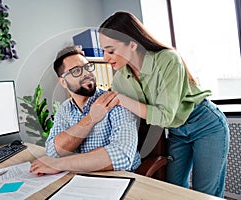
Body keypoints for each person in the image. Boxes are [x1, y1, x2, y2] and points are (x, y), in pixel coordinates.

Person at [98, 11, 229, 197]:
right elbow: (130, 117)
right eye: (103, 50)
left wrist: (121, 99)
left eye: (110, 50)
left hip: (205, 124)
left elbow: (164, 116)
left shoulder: (167, 59)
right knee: (172, 188)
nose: (105, 57)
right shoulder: (120, 79)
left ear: (132, 44)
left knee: (205, 193)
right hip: (176, 131)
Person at [30, 46, 141, 176]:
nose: (86, 73)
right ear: (63, 82)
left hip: (122, 180)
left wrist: (60, 164)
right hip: (82, 178)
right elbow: (53, 152)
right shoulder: (65, 109)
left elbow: (122, 157)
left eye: (87, 67)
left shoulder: (115, 101)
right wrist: (91, 118)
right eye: (76, 70)